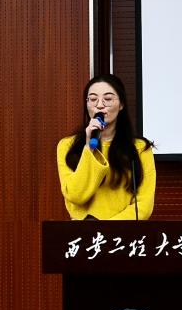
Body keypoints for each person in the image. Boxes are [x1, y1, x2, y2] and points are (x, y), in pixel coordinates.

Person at [56, 74, 155, 220]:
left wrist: (106, 228)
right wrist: (89, 148)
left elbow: (143, 206)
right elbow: (75, 195)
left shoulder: (140, 148)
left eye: (108, 99)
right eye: (93, 99)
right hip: (84, 230)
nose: (100, 105)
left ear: (121, 105)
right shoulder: (67, 146)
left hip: (122, 232)